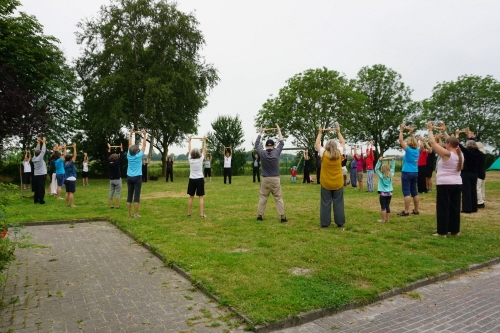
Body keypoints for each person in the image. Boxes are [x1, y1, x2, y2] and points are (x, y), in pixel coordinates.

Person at [427, 121, 463, 237]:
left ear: (447, 145)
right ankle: (455, 230)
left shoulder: (447, 154)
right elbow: (455, 142)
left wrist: (430, 129)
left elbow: (432, 142)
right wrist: (445, 132)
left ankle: (442, 232)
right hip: (457, 183)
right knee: (455, 207)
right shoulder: (460, 154)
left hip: (445, 184)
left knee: (443, 208)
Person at [254, 124, 287, 223]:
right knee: (278, 198)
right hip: (275, 179)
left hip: (265, 179)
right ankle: (282, 217)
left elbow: (256, 144)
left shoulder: (262, 153)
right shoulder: (276, 152)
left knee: (263, 197)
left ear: (266, 146)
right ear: (273, 146)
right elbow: (282, 142)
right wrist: (279, 130)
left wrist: (260, 133)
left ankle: (260, 216)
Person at [315, 124, 346, 228]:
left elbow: (317, 143)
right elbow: (342, 142)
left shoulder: (323, 153)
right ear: (335, 146)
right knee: (339, 203)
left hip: (326, 183)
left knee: (325, 203)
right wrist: (338, 132)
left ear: (327, 146)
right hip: (338, 182)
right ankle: (340, 222)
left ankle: (325, 223)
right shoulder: (339, 153)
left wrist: (320, 133)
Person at [455, 129, 480, 213]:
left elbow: (458, 145)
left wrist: (457, 135)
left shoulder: (467, 152)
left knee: (466, 191)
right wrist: (470, 137)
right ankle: (474, 207)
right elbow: (473, 143)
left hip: (466, 173)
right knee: (473, 190)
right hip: (475, 173)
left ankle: (467, 208)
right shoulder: (478, 152)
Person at [397, 124, 420, 216]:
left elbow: (401, 140)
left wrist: (401, 130)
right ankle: (416, 210)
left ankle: (406, 211)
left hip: (407, 172)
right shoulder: (417, 150)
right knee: (414, 191)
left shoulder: (409, 150)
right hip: (415, 172)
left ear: (409, 143)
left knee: (407, 192)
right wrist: (411, 133)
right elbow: (414, 141)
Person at [127, 129, 147, 218]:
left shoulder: (128, 155)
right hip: (137, 177)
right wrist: (145, 135)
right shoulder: (139, 156)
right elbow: (144, 145)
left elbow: (129, 144)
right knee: (136, 195)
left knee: (129, 195)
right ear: (137, 151)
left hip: (129, 177)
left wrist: (131, 134)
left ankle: (128, 213)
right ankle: (135, 214)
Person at [187, 136, 207, 217]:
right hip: (199, 179)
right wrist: (205, 141)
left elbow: (189, 149)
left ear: (192, 154)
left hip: (192, 179)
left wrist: (189, 141)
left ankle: (189, 213)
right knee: (201, 197)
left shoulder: (190, 158)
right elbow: (204, 150)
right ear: (198, 153)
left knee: (191, 197)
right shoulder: (201, 158)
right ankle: (201, 214)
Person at [375, 156, 396, 222]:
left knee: (383, 207)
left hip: (382, 194)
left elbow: (376, 169)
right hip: (390, 193)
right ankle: (387, 219)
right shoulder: (391, 175)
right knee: (387, 206)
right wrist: (393, 160)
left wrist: (379, 161)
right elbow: (393, 167)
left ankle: (383, 220)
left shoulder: (381, 176)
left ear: (382, 170)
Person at [108, 143, 124, 209]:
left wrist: (109, 148)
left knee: (111, 192)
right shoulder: (116, 163)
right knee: (118, 193)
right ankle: (117, 206)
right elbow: (122, 156)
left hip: (111, 180)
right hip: (117, 180)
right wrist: (121, 148)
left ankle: (111, 205)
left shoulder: (109, 163)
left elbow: (107, 155)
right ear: (116, 159)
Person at [32, 137, 47, 204]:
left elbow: (36, 150)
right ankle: (41, 200)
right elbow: (43, 151)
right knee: (41, 188)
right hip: (40, 176)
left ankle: (36, 199)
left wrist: (38, 143)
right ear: (39, 155)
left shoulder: (34, 157)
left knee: (37, 188)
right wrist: (43, 142)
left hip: (36, 175)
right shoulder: (40, 158)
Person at [476, 142, 486, 209]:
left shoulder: (478, 154)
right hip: (482, 172)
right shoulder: (483, 153)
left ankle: (480, 202)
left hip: (478, 173)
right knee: (481, 187)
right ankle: (482, 199)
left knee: (477, 188)